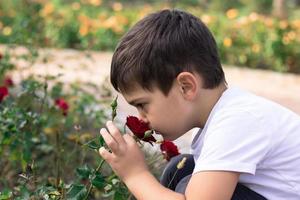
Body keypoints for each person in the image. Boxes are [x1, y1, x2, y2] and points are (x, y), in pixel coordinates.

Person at [98, 9, 300, 200]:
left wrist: (135, 175)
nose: (141, 118)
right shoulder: (221, 118)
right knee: (182, 168)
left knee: (188, 180)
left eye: (142, 104)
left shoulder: (237, 121)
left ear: (185, 87)